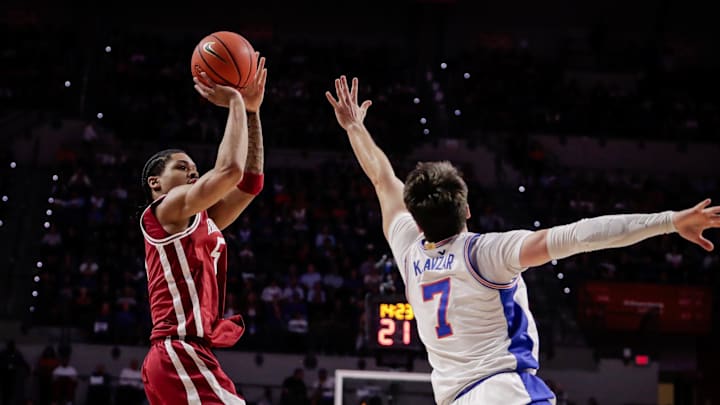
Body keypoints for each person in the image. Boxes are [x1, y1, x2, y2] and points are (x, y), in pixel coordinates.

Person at [325, 75, 720, 405]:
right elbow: (581, 234)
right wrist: (670, 221)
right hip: (505, 391)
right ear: (467, 210)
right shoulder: (484, 253)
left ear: (418, 217)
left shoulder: (408, 249)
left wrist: (354, 128)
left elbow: (382, 178)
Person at [139, 56, 267, 404]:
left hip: (183, 354)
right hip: (177, 350)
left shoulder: (198, 220)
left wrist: (253, 114)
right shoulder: (166, 210)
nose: (193, 173)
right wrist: (236, 103)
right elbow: (229, 170)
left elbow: (250, 183)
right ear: (155, 182)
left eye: (195, 168)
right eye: (183, 168)